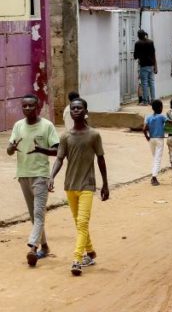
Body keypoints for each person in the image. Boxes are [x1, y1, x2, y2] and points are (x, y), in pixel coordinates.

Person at [48, 98, 109, 276]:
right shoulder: (66, 136)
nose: (75, 111)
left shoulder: (94, 135)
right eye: (73, 108)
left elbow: (101, 159)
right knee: (78, 222)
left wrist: (105, 184)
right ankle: (90, 252)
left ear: (85, 111)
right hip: (70, 186)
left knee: (82, 222)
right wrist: (51, 176)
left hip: (87, 186)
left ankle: (77, 259)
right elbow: (59, 158)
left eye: (79, 108)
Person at [7, 94, 59, 267]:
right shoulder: (18, 126)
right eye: (24, 106)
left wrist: (41, 150)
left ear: (38, 107)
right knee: (33, 215)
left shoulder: (47, 126)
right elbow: (9, 149)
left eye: (31, 106)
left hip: (41, 175)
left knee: (38, 214)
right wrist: (11, 148)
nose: (27, 109)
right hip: (23, 174)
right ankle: (44, 245)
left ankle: (32, 248)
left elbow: (57, 151)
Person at [143, 100, 166, 186]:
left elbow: (144, 129)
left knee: (155, 157)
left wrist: (147, 137)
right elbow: (170, 122)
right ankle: (154, 177)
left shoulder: (148, 117)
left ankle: (154, 173)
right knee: (158, 159)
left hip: (151, 139)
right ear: (160, 108)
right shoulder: (161, 117)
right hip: (159, 139)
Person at [134, 29, 157, 104]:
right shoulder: (151, 42)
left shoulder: (138, 43)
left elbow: (135, 56)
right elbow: (153, 54)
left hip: (143, 66)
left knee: (144, 83)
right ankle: (153, 99)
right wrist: (155, 66)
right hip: (151, 65)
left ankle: (145, 101)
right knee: (152, 82)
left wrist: (138, 55)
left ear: (139, 36)